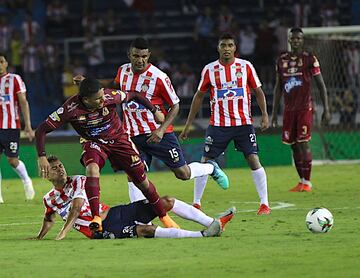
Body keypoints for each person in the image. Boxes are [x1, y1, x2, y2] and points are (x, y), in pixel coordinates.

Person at [35, 77, 179, 233]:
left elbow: (135, 95)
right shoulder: (70, 109)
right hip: (94, 142)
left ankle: (164, 216)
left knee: (142, 182)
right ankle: (96, 217)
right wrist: (42, 156)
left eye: (103, 95)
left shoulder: (111, 96)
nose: (103, 100)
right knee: (92, 169)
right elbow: (41, 130)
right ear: (85, 100)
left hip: (119, 140)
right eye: (98, 99)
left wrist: (154, 110)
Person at [107, 37, 229, 205]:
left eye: (143, 56)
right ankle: (138, 217)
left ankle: (210, 168)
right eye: (136, 56)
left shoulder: (159, 77)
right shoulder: (122, 71)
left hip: (158, 134)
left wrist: (161, 130)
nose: (140, 60)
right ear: (129, 55)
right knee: (134, 173)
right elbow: (112, 89)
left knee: (183, 174)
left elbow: (175, 106)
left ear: (149, 55)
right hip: (132, 135)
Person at [31, 155, 236, 240]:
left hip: (114, 212)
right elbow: (49, 218)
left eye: (60, 165)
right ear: (46, 174)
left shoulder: (78, 180)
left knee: (166, 201)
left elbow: (76, 208)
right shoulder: (49, 199)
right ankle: (202, 235)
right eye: (55, 168)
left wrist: (63, 234)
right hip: (101, 230)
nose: (60, 169)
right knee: (146, 230)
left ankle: (213, 223)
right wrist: (40, 237)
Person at [179, 34, 271, 215]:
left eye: (230, 45)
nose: (227, 48)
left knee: (253, 159)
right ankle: (196, 203)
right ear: (218, 48)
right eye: (223, 45)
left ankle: (264, 204)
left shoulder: (245, 67)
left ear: (235, 48)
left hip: (243, 123)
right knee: (205, 161)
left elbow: (258, 91)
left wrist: (265, 115)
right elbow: (199, 96)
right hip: (218, 125)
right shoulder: (210, 70)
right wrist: (188, 124)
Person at [271, 27, 331, 192]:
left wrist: (326, 108)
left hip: (305, 108)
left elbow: (321, 85)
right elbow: (278, 88)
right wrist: (274, 112)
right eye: (293, 38)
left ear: (302, 40)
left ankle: (307, 182)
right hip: (289, 110)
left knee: (303, 143)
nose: (296, 41)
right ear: (289, 40)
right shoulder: (281, 60)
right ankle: (302, 180)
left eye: (299, 38)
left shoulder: (309, 59)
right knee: (293, 145)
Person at [0, 52, 35, 203]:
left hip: (10, 126)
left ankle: (27, 181)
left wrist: (27, 125)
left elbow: (23, 102)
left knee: (12, 160)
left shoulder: (14, 79)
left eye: (1, 61)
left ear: (6, 63)